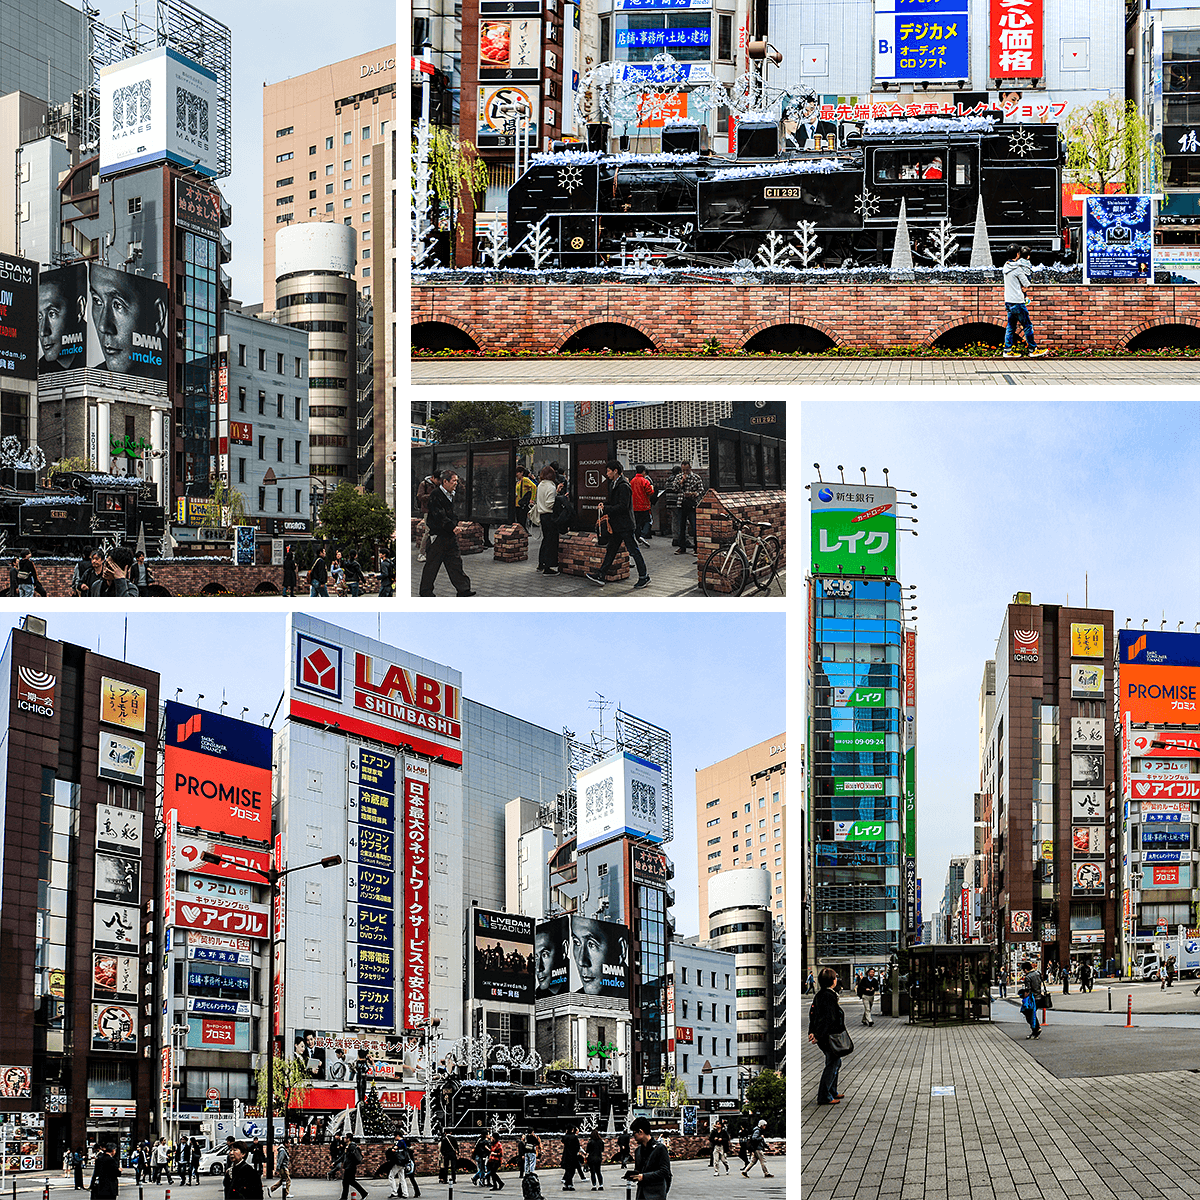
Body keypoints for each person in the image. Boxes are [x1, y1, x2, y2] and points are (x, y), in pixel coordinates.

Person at [584, 460, 650, 589]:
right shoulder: (614, 484)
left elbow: (623, 506)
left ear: (615, 471)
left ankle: (644, 576)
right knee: (611, 550)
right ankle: (601, 574)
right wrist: (605, 504)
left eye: (608, 471)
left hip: (625, 525)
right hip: (618, 525)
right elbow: (614, 502)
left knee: (634, 551)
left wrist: (607, 508)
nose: (606, 473)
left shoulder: (623, 485)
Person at [418, 469, 476, 598]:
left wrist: (455, 525)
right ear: (445, 481)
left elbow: (453, 513)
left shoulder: (452, 494)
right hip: (438, 536)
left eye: (457, 480)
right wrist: (452, 527)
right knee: (432, 565)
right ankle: (425, 592)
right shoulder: (436, 495)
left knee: (455, 563)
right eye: (454, 481)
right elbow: (439, 515)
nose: (456, 483)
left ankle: (463, 589)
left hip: (449, 536)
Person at [807, 966, 848, 1104]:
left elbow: (812, 1014)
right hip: (828, 1036)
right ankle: (824, 1096)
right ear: (832, 980)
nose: (837, 979)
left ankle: (832, 1091)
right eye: (835, 977)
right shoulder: (828, 996)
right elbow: (827, 1019)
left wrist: (812, 1031)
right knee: (833, 1062)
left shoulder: (821, 994)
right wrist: (817, 1034)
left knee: (835, 1061)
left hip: (823, 1035)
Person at [1002, 244, 1049, 358]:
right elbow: (1026, 284)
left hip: (1008, 301)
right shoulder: (1017, 269)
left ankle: (1007, 351)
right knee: (1027, 325)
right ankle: (1032, 349)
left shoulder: (1006, 266)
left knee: (1010, 327)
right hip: (1018, 302)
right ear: (1018, 255)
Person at [626, 1117, 670, 1200]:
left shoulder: (660, 1148)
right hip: (641, 1195)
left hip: (656, 1195)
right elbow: (639, 1170)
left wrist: (643, 1177)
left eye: (634, 1133)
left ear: (640, 1132)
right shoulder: (638, 1151)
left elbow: (665, 1171)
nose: (633, 1136)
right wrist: (634, 1175)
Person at [1019, 959, 1042, 1039]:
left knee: (1029, 1015)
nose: (1023, 972)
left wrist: (1024, 1000)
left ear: (1026, 969)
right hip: (1039, 997)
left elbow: (1027, 990)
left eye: (1023, 970)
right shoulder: (1038, 973)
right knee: (1032, 1014)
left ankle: (1036, 1030)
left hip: (1032, 999)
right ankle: (1035, 1030)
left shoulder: (1028, 977)